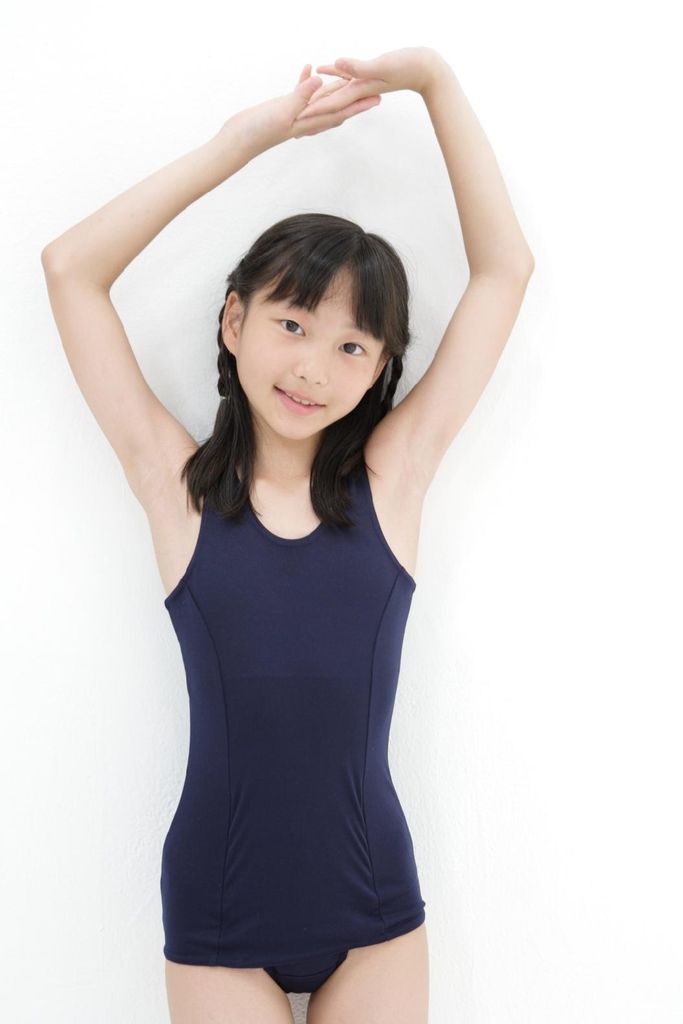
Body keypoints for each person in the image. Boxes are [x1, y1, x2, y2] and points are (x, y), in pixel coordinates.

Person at [41, 46, 534, 1024]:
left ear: (379, 370)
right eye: (293, 324)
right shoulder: (177, 487)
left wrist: (436, 82)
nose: (313, 367)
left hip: (373, 908)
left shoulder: (393, 480)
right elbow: (70, 269)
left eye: (352, 345)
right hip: (220, 910)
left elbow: (503, 271)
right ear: (234, 320)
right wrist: (246, 139)